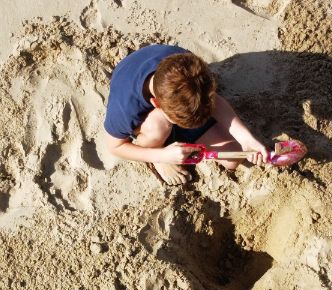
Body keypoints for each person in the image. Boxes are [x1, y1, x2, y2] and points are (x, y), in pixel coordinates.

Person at [102, 44, 268, 185]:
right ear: (156, 104)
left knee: (232, 159)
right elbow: (115, 147)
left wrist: (246, 138)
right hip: (150, 121)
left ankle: (177, 132)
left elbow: (215, 101)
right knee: (158, 126)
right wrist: (161, 156)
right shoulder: (124, 108)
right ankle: (157, 150)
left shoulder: (191, 67)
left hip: (174, 96)